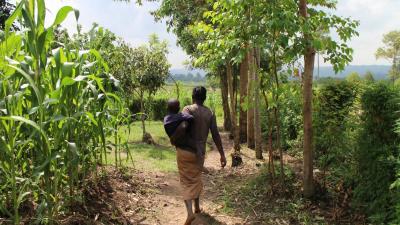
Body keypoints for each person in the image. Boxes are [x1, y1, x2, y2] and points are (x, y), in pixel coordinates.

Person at [176, 86, 226, 225]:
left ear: (193, 97)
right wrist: (222, 154)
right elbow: (215, 134)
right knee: (196, 178)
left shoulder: (187, 109)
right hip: (200, 152)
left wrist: (175, 139)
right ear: (204, 98)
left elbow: (182, 127)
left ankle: (190, 213)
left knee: (186, 181)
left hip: (185, 151)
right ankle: (197, 207)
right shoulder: (209, 113)